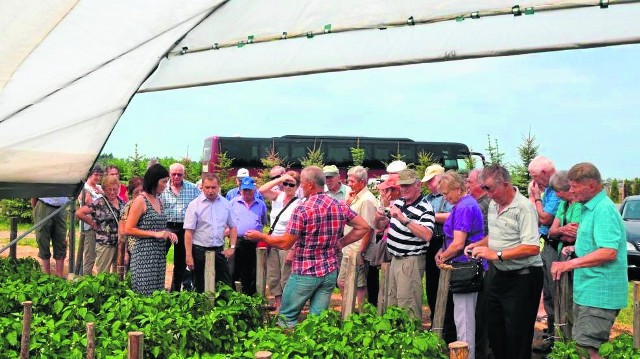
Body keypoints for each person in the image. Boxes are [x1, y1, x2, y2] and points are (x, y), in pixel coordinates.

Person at [245, 166, 371, 327]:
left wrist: (261, 236)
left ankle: (287, 350)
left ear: (310, 184)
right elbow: (364, 227)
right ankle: (314, 350)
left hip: (306, 272)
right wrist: (341, 242)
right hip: (329, 272)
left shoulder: (303, 209)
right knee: (317, 322)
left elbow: (285, 243)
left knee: (286, 318)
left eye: (302, 183)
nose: (300, 188)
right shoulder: (339, 205)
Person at [466, 164, 543, 359]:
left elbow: (532, 247)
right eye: (483, 188)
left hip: (524, 277)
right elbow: (495, 236)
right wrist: (477, 245)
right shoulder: (493, 204)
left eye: (489, 188)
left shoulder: (524, 207)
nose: (487, 194)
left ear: (506, 184)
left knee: (517, 334)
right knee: (496, 330)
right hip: (501, 275)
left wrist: (496, 254)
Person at [551, 162, 627, 359]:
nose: (571, 191)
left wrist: (569, 264)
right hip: (588, 292)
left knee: (588, 349)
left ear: (592, 186)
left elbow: (609, 252)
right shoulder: (589, 208)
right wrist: (575, 248)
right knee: (584, 346)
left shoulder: (604, 210)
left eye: (575, 186)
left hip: (599, 293)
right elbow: (596, 243)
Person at [435, 171, 485, 359]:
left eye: (447, 193)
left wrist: (442, 257)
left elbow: (458, 244)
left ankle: (466, 355)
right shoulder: (463, 204)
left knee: (464, 319)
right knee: (461, 316)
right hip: (462, 266)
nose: (445, 197)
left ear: (458, 189)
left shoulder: (465, 207)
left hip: (466, 267)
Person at [381, 169, 435, 319]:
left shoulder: (426, 208)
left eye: (407, 185)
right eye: (402, 186)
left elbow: (427, 235)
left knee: (408, 305)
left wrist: (404, 219)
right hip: (395, 259)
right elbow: (384, 225)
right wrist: (380, 218)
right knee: (392, 302)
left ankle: (411, 338)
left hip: (410, 260)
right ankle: (396, 338)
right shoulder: (400, 202)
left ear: (418, 185)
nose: (403, 189)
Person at [124, 164, 178, 296]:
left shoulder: (159, 201)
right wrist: (155, 234)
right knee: (143, 293)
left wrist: (168, 232)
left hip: (158, 255)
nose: (166, 185)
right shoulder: (140, 200)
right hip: (144, 254)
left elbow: (157, 226)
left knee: (156, 293)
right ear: (154, 180)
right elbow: (128, 229)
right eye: (164, 181)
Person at [528, 155, 561, 353]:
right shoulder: (547, 189)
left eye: (534, 176)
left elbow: (546, 218)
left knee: (554, 292)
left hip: (554, 245)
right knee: (547, 292)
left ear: (544, 173)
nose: (533, 181)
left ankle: (558, 338)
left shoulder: (556, 190)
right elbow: (538, 218)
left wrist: (536, 198)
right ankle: (552, 335)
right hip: (545, 242)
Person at [184, 173, 237, 292]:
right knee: (200, 285)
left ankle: (223, 309)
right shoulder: (194, 205)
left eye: (213, 187)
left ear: (218, 187)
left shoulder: (226, 204)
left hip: (219, 250)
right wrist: (189, 256)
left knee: (224, 285)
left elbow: (233, 227)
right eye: (207, 187)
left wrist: (232, 247)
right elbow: (188, 232)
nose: (210, 191)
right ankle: (202, 310)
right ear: (202, 187)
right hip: (199, 251)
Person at [422, 164, 455, 340]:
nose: (428, 184)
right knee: (432, 286)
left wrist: (430, 216)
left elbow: (452, 216)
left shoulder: (448, 198)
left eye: (431, 180)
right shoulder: (428, 198)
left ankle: (447, 327)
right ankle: (436, 321)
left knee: (445, 286)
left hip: (444, 243)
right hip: (430, 243)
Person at [259, 170, 301, 310]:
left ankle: (288, 308)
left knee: (286, 277)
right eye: (286, 184)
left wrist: (293, 251)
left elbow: (300, 230)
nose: (288, 187)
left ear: (298, 187)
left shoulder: (299, 204)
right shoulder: (278, 196)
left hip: (287, 244)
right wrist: (280, 179)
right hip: (273, 242)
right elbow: (262, 190)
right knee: (273, 276)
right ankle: (278, 306)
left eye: (292, 184)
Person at [338, 166, 376, 307]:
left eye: (352, 181)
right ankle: (350, 310)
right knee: (342, 282)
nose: (349, 184)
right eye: (348, 181)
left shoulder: (366, 200)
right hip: (349, 249)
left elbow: (369, 229)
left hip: (357, 250)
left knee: (359, 285)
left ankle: (359, 314)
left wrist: (361, 252)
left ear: (362, 182)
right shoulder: (354, 197)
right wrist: (347, 203)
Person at [159, 163, 200, 292]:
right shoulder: (161, 188)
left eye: (179, 174)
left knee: (180, 263)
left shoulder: (193, 188)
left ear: (184, 174)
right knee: (159, 259)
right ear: (169, 174)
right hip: (166, 226)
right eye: (173, 174)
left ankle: (175, 292)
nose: (176, 177)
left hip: (184, 228)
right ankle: (158, 289)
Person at [466, 168, 493, 359]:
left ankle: (485, 351)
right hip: (481, 259)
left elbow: (489, 236)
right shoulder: (478, 203)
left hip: (488, 263)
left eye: (469, 182)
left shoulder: (485, 205)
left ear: (480, 184)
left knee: (484, 311)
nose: (467, 185)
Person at [77, 175, 125, 273]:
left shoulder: (122, 203)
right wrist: (93, 224)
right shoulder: (99, 203)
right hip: (105, 244)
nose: (112, 192)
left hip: (120, 243)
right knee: (103, 274)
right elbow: (79, 213)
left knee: (119, 274)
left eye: (115, 189)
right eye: (109, 189)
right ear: (104, 190)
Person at [230, 176, 268, 295]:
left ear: (254, 190)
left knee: (252, 269)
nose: (247, 193)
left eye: (249, 190)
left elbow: (263, 221)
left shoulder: (260, 204)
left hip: (254, 241)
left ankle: (251, 295)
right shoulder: (233, 203)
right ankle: (234, 294)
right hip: (238, 240)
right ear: (240, 190)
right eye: (244, 190)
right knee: (235, 268)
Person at [30, 196, 68, 277]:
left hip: (61, 207)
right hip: (44, 205)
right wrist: (36, 210)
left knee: (61, 240)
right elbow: (34, 193)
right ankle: (47, 276)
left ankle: (59, 276)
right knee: (42, 238)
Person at [79, 164, 104, 275]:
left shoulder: (99, 188)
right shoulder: (84, 188)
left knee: (100, 253)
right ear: (90, 174)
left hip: (101, 225)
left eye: (100, 175)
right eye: (96, 175)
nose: (98, 177)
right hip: (89, 225)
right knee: (89, 255)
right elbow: (90, 203)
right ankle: (85, 279)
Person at [119, 176, 143, 269]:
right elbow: (122, 232)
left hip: (145, 249)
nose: (140, 194)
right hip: (132, 249)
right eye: (137, 192)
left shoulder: (147, 205)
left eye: (142, 191)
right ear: (131, 192)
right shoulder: (128, 206)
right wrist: (124, 253)